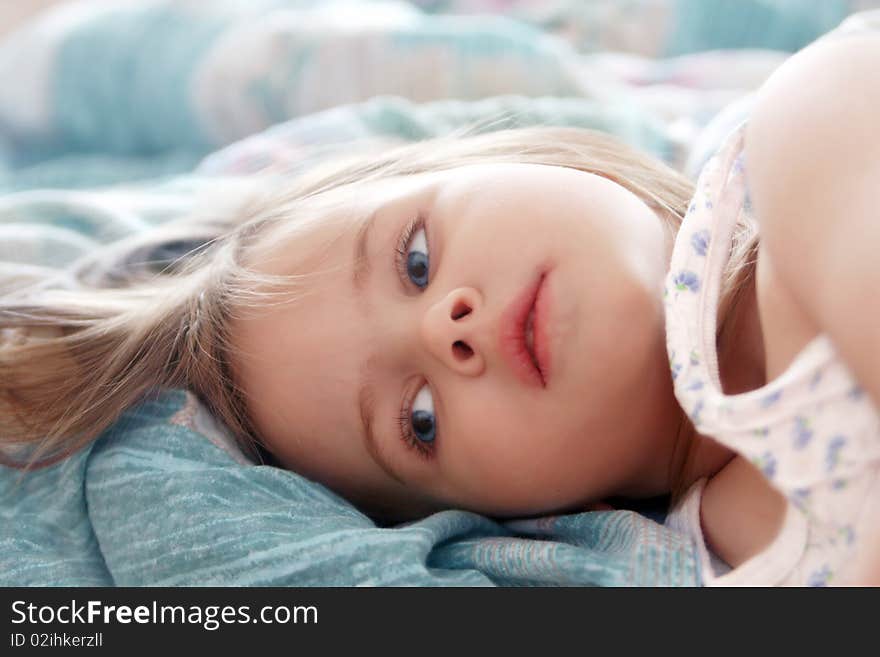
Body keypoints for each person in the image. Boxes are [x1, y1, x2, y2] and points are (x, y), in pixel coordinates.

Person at [2, 32, 878, 585]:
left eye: (415, 260)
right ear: (511, 516)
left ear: (524, 153)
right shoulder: (741, 558)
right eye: (419, 421)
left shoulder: (805, 127)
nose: (443, 329)